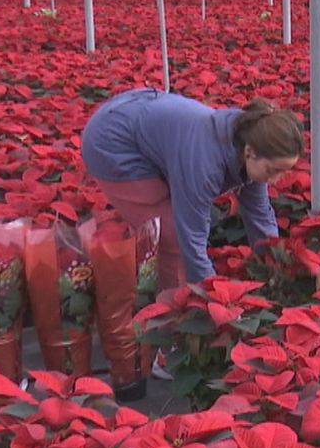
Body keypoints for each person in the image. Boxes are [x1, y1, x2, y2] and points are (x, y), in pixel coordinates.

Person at [81, 89, 304, 297]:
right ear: (249, 152)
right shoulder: (205, 161)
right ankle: (170, 311)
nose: (275, 180)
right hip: (113, 141)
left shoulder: (252, 139)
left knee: (167, 223)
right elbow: (190, 235)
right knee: (170, 235)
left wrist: (275, 265)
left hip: (142, 118)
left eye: (283, 172)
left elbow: (259, 215)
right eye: (273, 171)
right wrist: (209, 297)